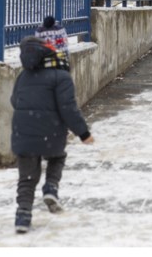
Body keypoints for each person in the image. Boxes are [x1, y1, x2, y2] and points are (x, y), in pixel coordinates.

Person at [10, 36, 94, 234]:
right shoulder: (61, 77)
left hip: (23, 133)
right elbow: (68, 109)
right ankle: (50, 188)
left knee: (27, 178)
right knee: (57, 157)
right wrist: (83, 133)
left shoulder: (23, 76)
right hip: (51, 131)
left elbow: (15, 101)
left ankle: (23, 215)